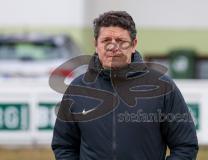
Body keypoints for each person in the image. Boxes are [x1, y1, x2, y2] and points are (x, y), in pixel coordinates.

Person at [51, 11, 198, 160]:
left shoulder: (163, 87)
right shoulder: (78, 89)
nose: (113, 47)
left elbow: (185, 145)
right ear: (96, 45)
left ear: (133, 44)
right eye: (106, 40)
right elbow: (64, 146)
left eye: (121, 41)